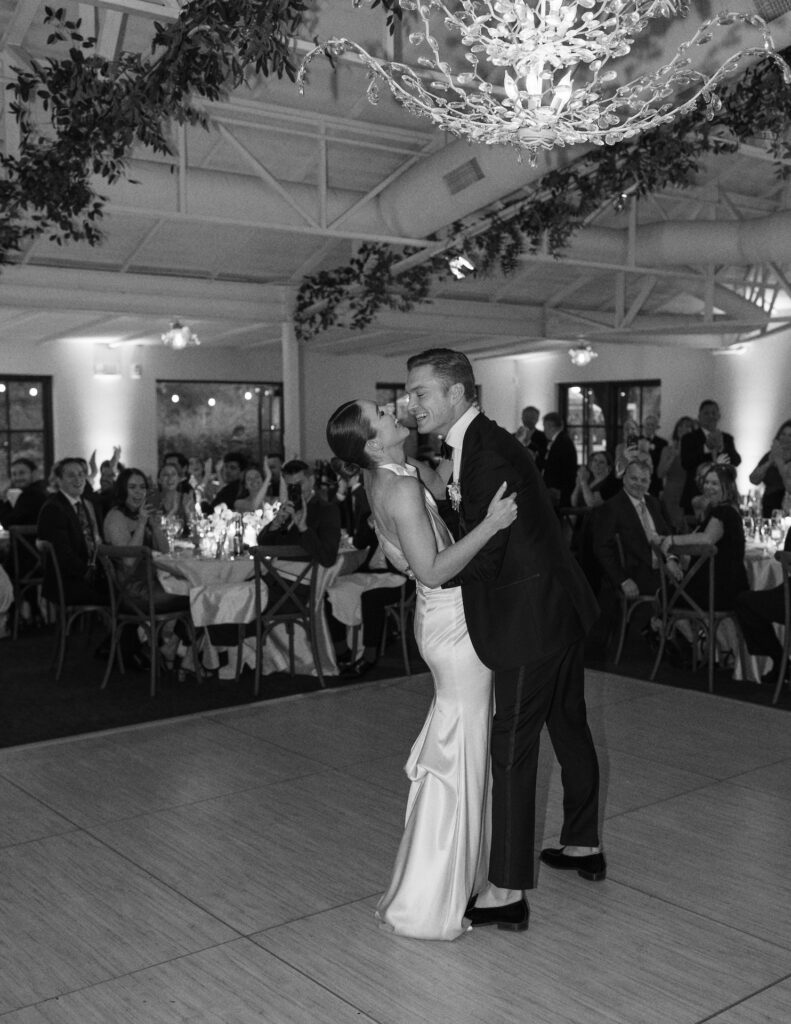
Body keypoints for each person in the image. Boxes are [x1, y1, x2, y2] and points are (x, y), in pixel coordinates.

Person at [406, 348, 602, 933]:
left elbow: (485, 560)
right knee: (568, 723)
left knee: (511, 746)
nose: (412, 405)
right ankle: (584, 843)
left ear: (459, 394)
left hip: (529, 618)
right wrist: (441, 493)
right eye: (410, 395)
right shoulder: (477, 445)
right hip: (557, 604)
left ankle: (507, 891)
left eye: (421, 394)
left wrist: (433, 569)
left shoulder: (486, 453)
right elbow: (476, 515)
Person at [326, 398, 517, 940]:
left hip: (445, 619)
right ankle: (432, 898)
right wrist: (493, 524)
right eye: (383, 414)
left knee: (459, 750)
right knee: (460, 756)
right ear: (371, 442)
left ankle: (444, 884)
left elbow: (428, 504)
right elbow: (432, 571)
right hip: (450, 620)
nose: (394, 410)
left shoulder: (389, 473)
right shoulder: (398, 485)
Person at [657, 464, 749, 611]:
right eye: (707, 482)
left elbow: (707, 538)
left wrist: (671, 539)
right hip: (727, 585)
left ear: (728, 486)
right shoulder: (722, 509)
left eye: (715, 483)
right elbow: (695, 538)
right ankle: (702, 632)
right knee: (670, 592)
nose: (708, 487)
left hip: (718, 589)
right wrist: (672, 556)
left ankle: (699, 632)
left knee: (663, 596)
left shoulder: (723, 511)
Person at [37, 457, 106, 606]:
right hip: (68, 582)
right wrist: (90, 573)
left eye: (81, 474)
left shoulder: (82, 504)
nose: (78, 479)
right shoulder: (54, 508)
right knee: (120, 592)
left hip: (84, 576)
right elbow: (63, 554)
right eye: (71, 475)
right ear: (59, 480)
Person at [680, 400, 741, 514]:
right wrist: (706, 448)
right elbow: (686, 463)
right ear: (699, 416)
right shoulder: (689, 438)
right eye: (706, 413)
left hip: (722, 495)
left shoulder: (727, 438)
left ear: (719, 416)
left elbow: (736, 461)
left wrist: (721, 447)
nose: (711, 416)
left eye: (714, 413)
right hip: (695, 493)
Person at [657, 415, 696, 531]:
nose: (683, 429)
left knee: (687, 528)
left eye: (688, 427)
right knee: (670, 528)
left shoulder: (695, 452)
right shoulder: (667, 450)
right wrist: (672, 456)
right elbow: (660, 474)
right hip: (671, 493)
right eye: (681, 426)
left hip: (689, 493)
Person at [748, 420, 791, 518]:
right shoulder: (771, 454)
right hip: (769, 503)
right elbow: (753, 479)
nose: (786, 438)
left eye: (790, 435)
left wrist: (779, 461)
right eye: (783, 434)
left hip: (786, 506)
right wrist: (769, 462)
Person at [541, 411, 577, 508]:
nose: (544, 430)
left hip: (557, 491)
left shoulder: (562, 442)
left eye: (544, 426)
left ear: (549, 426)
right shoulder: (561, 440)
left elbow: (560, 468)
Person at [0, 457, 48, 528]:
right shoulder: (42, 489)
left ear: (34, 473)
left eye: (22, 473)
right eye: (14, 474)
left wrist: (1, 499)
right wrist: (4, 499)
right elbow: (14, 517)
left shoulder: (31, 494)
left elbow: (8, 523)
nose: (17, 478)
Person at [640, 413, 668, 496]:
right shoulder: (635, 440)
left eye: (652, 425)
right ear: (644, 425)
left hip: (655, 482)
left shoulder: (663, 443)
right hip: (638, 479)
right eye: (647, 424)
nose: (649, 427)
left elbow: (662, 463)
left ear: (656, 427)